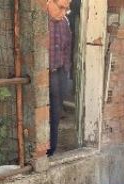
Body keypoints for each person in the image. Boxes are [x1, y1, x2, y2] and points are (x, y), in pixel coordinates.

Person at [46, 0, 72, 156]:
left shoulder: (65, 22)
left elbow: (67, 48)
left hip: (60, 73)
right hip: (45, 74)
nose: (63, 12)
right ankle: (42, 149)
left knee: (55, 114)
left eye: (66, 8)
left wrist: (66, 71)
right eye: (61, 7)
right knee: (43, 112)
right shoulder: (39, 21)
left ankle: (51, 149)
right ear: (49, 3)